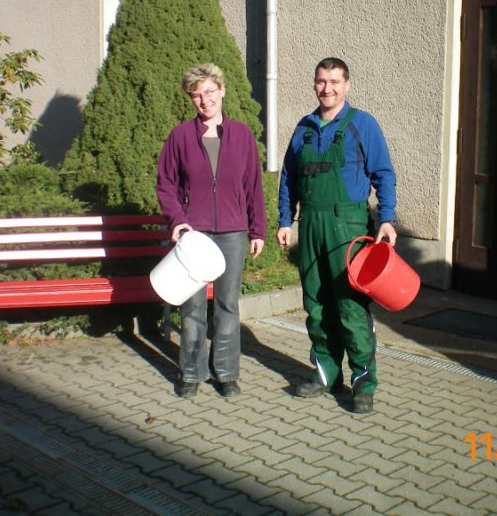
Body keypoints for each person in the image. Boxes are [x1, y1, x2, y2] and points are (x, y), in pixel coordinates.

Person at [276, 57, 397, 414]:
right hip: (311, 225)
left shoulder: (363, 124)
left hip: (349, 227)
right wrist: (286, 220)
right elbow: (288, 178)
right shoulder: (304, 127)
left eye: (334, 81)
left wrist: (386, 219)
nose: (326, 88)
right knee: (316, 304)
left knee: (349, 306)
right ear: (314, 84)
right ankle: (326, 374)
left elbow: (383, 174)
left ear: (347, 85)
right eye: (321, 81)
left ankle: (363, 382)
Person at [157, 63, 266, 398]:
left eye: (209, 91)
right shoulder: (180, 137)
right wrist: (177, 219)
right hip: (195, 235)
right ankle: (191, 373)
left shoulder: (242, 135)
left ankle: (227, 373)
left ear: (222, 91)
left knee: (227, 306)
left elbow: (253, 186)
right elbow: (166, 184)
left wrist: (257, 230)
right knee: (192, 309)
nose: (204, 100)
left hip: (233, 232)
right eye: (196, 95)